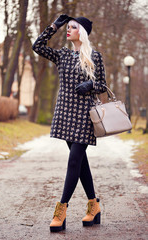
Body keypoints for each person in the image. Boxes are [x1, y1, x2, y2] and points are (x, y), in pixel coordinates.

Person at [32, 14, 107, 232]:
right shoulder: (62, 55)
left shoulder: (94, 56)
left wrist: (90, 86)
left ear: (81, 32)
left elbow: (102, 84)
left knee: (74, 161)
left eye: (72, 27)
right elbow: (38, 46)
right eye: (68, 27)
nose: (68, 30)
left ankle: (61, 210)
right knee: (80, 163)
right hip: (65, 114)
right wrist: (54, 25)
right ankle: (94, 206)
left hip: (85, 115)